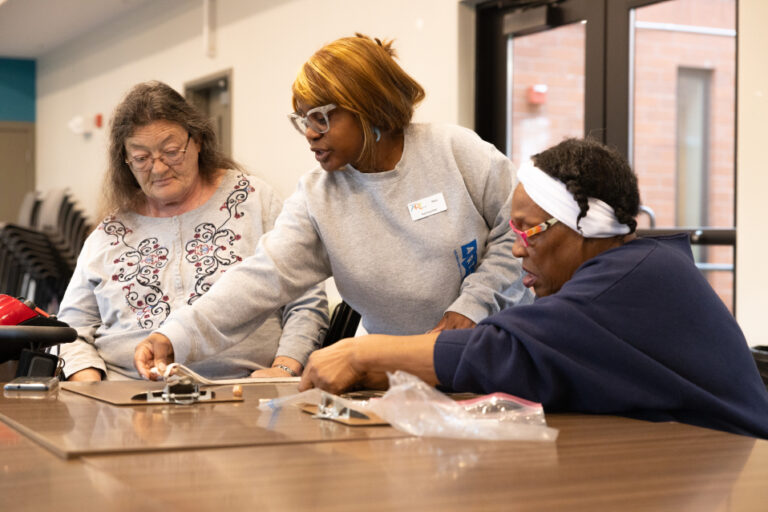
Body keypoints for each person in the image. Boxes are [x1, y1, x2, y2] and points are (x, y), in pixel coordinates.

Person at [298, 137, 768, 438]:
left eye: (527, 230)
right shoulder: (634, 267)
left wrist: (362, 353)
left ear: (582, 227)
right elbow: (537, 366)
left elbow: (503, 349)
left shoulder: (627, 280)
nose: (516, 248)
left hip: (740, 467)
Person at [134, 34, 532, 379]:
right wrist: (175, 335)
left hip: (492, 351)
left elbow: (517, 234)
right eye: (303, 119)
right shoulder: (317, 197)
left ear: (369, 107)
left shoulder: (455, 152)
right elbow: (260, 279)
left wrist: (472, 306)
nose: (309, 133)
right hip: (396, 372)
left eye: (321, 118)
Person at [58, 81, 328, 381]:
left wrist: (284, 368)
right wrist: (91, 387)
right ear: (126, 161)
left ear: (197, 140)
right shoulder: (109, 233)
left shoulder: (253, 200)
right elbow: (70, 330)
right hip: (125, 394)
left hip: (243, 390)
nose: (158, 168)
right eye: (141, 159)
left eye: (171, 151)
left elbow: (305, 300)